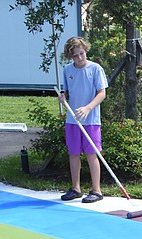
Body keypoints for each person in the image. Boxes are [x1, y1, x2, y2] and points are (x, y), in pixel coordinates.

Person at [58, 36, 107, 204]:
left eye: (81, 54)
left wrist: (88, 108)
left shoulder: (95, 69)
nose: (79, 58)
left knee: (91, 153)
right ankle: (76, 188)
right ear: (70, 56)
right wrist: (63, 98)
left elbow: (102, 93)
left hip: (91, 119)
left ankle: (96, 190)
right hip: (72, 119)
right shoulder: (67, 70)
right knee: (73, 153)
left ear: (86, 51)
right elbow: (68, 93)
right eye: (75, 56)